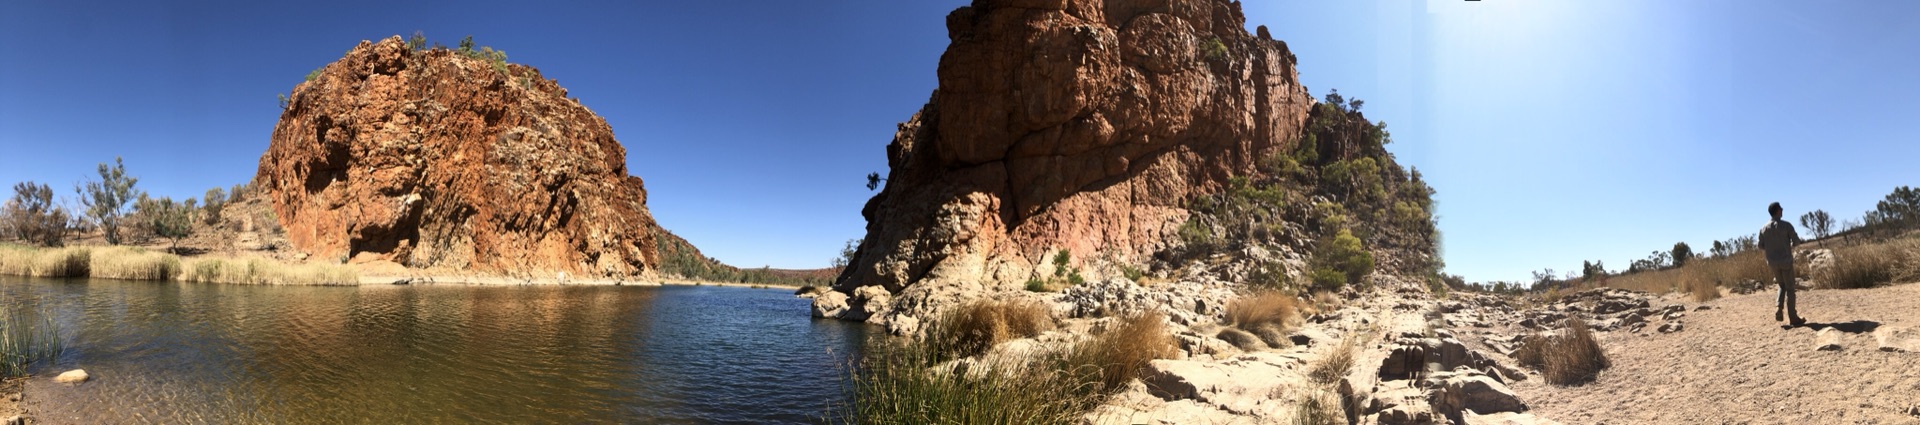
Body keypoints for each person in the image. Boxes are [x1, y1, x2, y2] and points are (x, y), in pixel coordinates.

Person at [1759, 202, 1804, 326]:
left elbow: (1760, 246)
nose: (1783, 210)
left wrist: (1771, 248)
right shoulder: (1786, 225)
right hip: (1785, 261)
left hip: (1772, 262)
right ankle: (1793, 317)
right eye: (1781, 209)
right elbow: (1796, 241)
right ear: (1778, 211)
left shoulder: (1764, 228)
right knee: (1790, 288)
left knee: (1781, 285)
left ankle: (1779, 307)